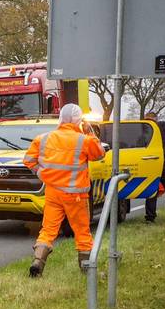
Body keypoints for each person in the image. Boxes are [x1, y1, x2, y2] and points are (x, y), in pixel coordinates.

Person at [23, 104, 105, 277]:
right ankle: (87, 270)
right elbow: (99, 154)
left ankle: (37, 263)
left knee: (48, 230)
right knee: (82, 232)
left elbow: (28, 160)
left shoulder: (43, 138)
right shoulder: (84, 140)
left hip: (53, 193)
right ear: (78, 120)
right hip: (76, 195)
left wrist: (42, 174)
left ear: (60, 118)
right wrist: (91, 132)